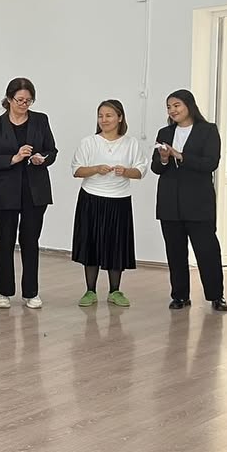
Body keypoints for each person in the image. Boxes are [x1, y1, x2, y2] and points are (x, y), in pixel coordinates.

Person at [0, 77, 57, 310]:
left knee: (30, 240)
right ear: (9, 98)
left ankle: (31, 292)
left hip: (35, 190)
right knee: (5, 240)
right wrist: (13, 158)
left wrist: (41, 158)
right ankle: (3, 292)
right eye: (20, 100)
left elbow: (52, 151)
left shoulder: (41, 120)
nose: (24, 104)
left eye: (28, 100)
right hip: (5, 191)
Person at [150, 90, 227, 312]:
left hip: (198, 202)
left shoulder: (208, 130)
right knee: (175, 252)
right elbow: (156, 168)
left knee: (207, 251)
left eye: (177, 105)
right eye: (169, 107)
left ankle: (216, 295)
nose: (172, 110)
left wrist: (181, 156)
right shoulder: (164, 132)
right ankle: (180, 295)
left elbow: (210, 163)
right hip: (170, 202)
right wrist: (164, 159)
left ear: (189, 106)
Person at [71, 99, 149, 307]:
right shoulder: (89, 142)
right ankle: (90, 290)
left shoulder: (131, 143)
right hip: (91, 198)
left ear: (120, 118)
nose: (104, 120)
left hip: (119, 200)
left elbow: (141, 171)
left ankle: (115, 291)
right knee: (91, 244)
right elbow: (77, 170)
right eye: (100, 116)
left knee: (117, 245)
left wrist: (126, 171)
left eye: (109, 115)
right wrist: (96, 169)